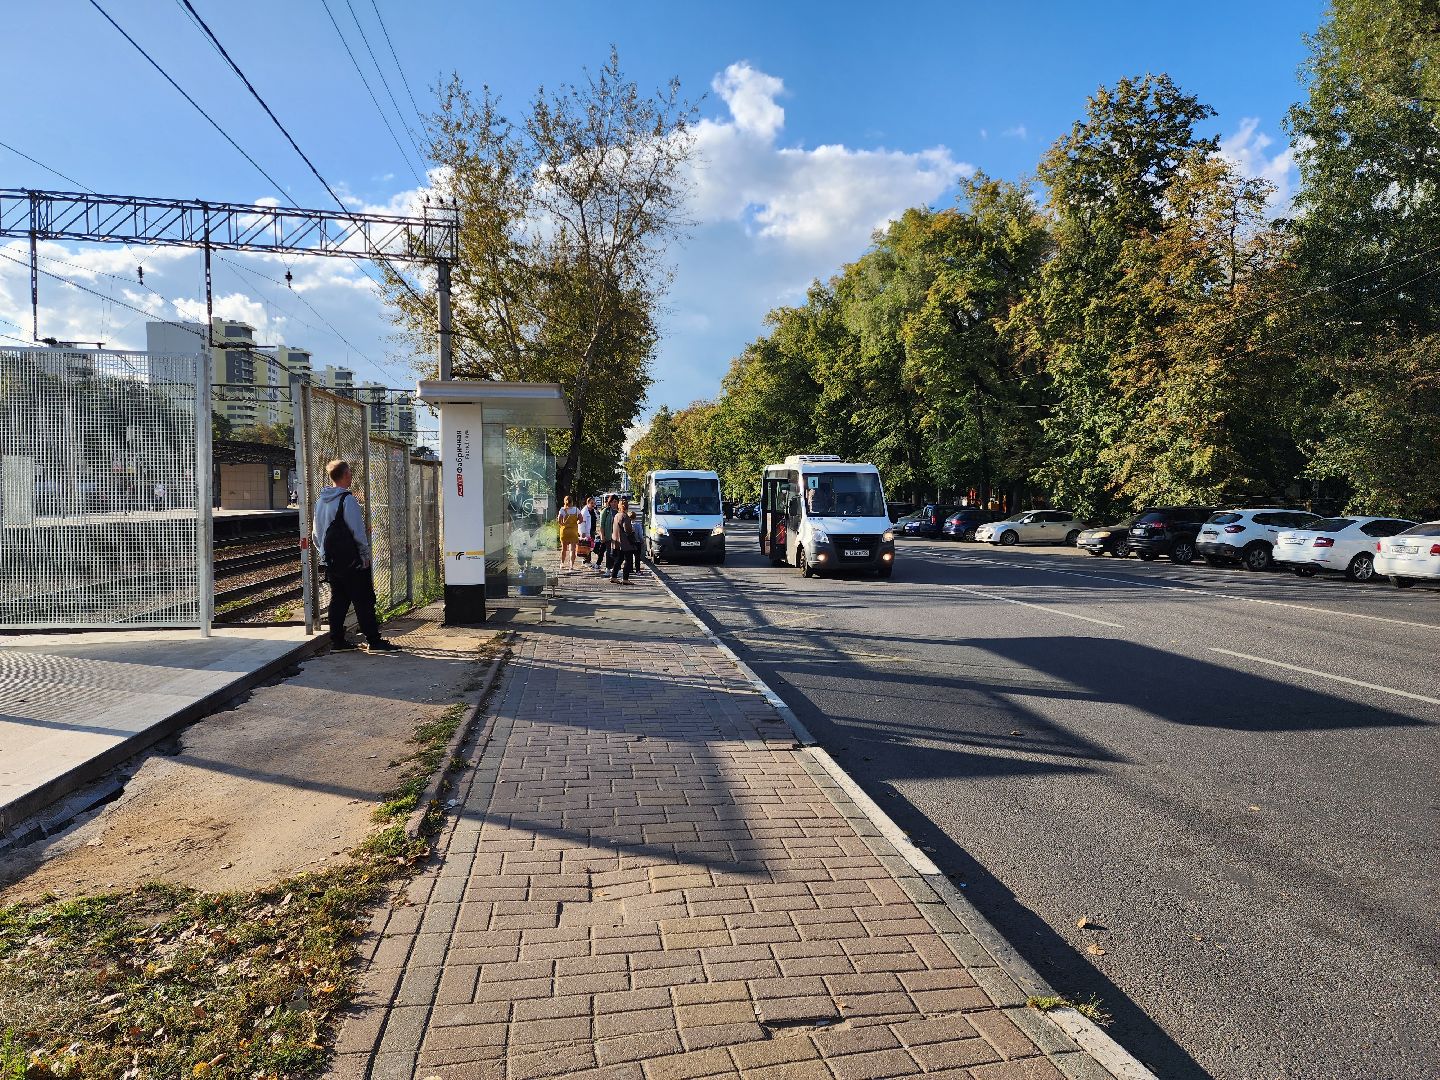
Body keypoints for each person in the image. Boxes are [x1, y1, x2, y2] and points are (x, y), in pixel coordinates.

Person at [312, 459, 398, 652]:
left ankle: (337, 641)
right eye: (349, 473)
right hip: (352, 560)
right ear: (344, 475)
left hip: (332, 561)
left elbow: (315, 534)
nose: (351, 476)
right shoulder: (347, 500)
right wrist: (365, 554)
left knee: (339, 600)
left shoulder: (320, 501)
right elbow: (357, 532)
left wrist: (325, 554)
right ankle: (374, 641)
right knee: (363, 599)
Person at [610, 497, 639, 584]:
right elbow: (627, 530)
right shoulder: (625, 516)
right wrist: (632, 531)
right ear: (626, 507)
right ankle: (625, 579)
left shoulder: (616, 515)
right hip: (625, 543)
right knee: (628, 560)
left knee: (618, 560)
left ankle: (613, 577)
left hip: (617, 542)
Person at [596, 493, 619, 574]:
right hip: (608, 535)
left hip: (618, 536)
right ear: (609, 502)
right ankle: (608, 568)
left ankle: (615, 569)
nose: (614, 503)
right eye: (612, 502)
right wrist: (602, 536)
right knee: (609, 553)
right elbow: (601, 524)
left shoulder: (619, 511)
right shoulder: (606, 511)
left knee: (617, 553)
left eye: (615, 501)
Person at [557, 495, 582, 570]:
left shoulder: (562, 509)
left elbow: (559, 521)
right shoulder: (576, 510)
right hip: (573, 531)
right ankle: (571, 566)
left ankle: (562, 563)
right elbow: (581, 519)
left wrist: (562, 525)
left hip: (564, 532)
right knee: (572, 549)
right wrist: (575, 523)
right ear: (572, 501)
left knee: (564, 549)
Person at [578, 495, 597, 566]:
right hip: (586, 531)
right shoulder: (584, 512)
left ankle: (588, 560)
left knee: (590, 546)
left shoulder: (593, 511)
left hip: (592, 531)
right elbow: (582, 523)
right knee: (586, 546)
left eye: (594, 503)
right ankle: (586, 561)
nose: (593, 505)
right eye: (591, 503)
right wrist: (582, 533)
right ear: (588, 503)